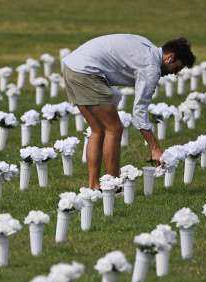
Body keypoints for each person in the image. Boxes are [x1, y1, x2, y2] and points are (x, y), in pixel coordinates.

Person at [62, 35, 195, 189]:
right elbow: (139, 111)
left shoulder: (148, 46)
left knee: (98, 130)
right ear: (169, 58)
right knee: (114, 128)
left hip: (71, 65)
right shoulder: (151, 68)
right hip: (86, 72)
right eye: (177, 68)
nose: (174, 73)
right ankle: (113, 186)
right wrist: (155, 148)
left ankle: (94, 186)